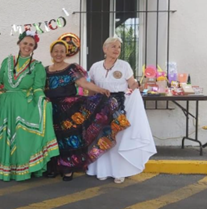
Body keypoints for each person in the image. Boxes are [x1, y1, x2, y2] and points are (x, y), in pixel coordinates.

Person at [44, 40, 129, 181]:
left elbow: (84, 83)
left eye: (62, 51)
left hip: (69, 109)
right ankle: (53, 167)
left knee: (68, 139)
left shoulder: (72, 68)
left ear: (66, 54)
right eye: (56, 51)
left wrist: (100, 90)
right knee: (53, 138)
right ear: (51, 53)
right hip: (50, 108)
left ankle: (67, 169)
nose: (59, 54)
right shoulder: (45, 70)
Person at [0, 31, 59, 182]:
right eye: (25, 43)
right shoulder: (7, 61)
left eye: (31, 45)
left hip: (24, 105)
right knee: (3, 136)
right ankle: (5, 169)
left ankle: (22, 170)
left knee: (22, 138)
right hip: (6, 104)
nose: (27, 47)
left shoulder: (37, 66)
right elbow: (0, 81)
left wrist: (43, 101)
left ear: (34, 47)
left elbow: (38, 88)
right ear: (19, 44)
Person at [87, 37, 157, 183]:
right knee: (100, 137)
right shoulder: (95, 66)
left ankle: (118, 171)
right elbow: (91, 87)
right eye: (113, 46)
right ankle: (102, 170)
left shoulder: (124, 65)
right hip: (99, 105)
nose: (116, 49)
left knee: (116, 137)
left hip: (118, 104)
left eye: (119, 47)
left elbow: (131, 83)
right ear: (105, 49)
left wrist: (138, 86)